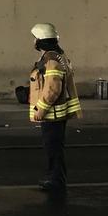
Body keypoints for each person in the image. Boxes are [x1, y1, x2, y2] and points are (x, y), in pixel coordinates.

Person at [29, 23, 82, 192]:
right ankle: (55, 178)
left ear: (41, 40)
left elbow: (52, 89)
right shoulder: (58, 56)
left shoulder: (51, 61)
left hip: (52, 114)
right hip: (56, 113)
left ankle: (56, 181)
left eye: (35, 38)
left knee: (53, 149)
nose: (34, 41)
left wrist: (41, 109)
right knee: (55, 148)